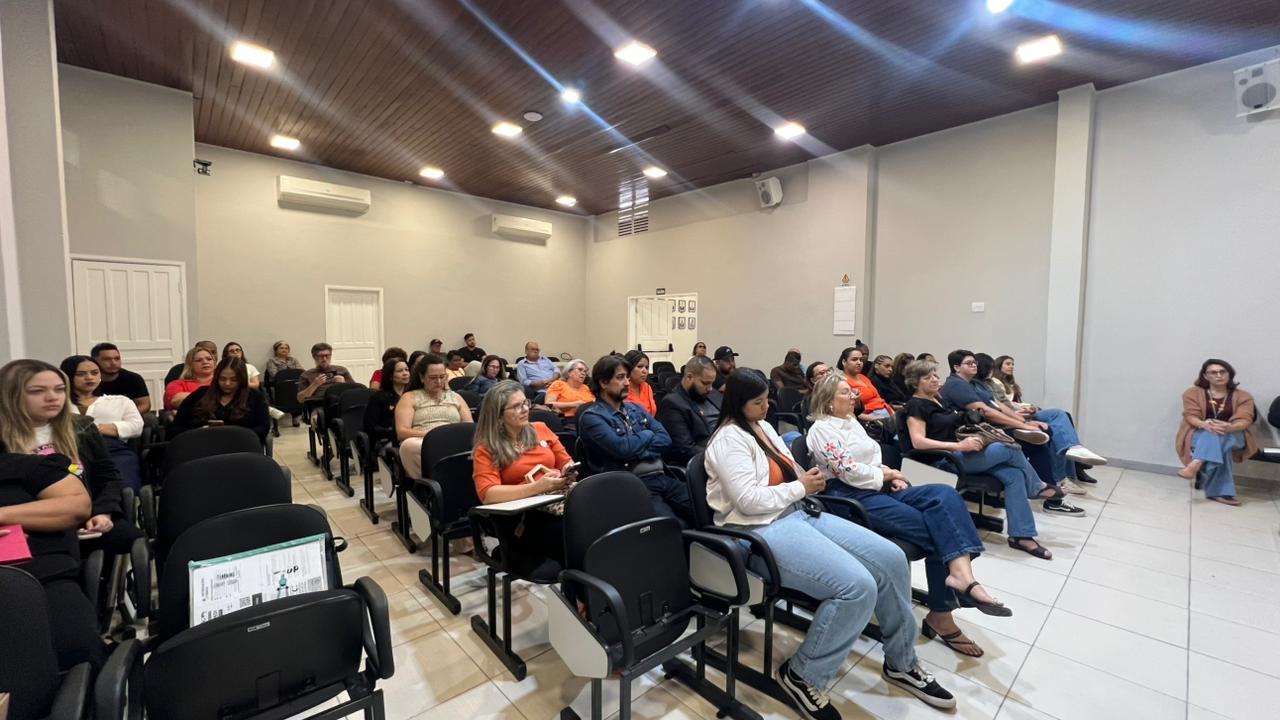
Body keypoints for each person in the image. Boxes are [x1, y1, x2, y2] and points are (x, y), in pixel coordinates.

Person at [705, 369, 955, 718]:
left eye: (766, 400)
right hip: (759, 530)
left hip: (797, 511)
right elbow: (748, 502)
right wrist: (801, 486)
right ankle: (802, 674)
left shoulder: (762, 428)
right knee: (857, 587)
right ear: (737, 403)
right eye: (758, 402)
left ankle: (901, 662)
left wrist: (806, 479)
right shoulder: (728, 440)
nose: (766, 407)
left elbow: (789, 467)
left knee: (892, 558)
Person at [806, 373, 1010, 658]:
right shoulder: (822, 429)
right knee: (940, 531)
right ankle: (944, 611)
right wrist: (886, 475)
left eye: (852, 391)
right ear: (828, 401)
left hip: (878, 487)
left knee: (944, 494)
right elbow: (847, 471)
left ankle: (961, 578)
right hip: (850, 497)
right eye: (845, 392)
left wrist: (891, 476)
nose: (854, 396)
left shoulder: (851, 421)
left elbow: (872, 459)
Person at [0, 359, 144, 622]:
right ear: (11, 395)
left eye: (59, 389)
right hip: (31, 525)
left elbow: (108, 477)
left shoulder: (82, 427)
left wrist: (103, 512)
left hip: (87, 516)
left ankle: (104, 605)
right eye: (37, 391)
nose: (52, 397)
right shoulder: (3, 438)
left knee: (130, 538)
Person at [902, 359, 1069, 558]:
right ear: (915, 382)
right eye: (927, 377)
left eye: (935, 375)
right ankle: (1035, 487)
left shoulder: (938, 399)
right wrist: (959, 446)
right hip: (944, 461)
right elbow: (918, 442)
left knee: (1014, 475)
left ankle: (1021, 535)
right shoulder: (916, 405)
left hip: (961, 453)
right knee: (1009, 447)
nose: (934, 379)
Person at [0, 451, 103, 672]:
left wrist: (3, 516)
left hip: (41, 578)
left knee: (79, 652)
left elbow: (77, 505)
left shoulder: (25, 467)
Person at [578, 354, 693, 526]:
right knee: (672, 527)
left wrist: (635, 449)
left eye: (626, 377)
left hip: (662, 476)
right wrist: (647, 434)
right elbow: (622, 449)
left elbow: (665, 439)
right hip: (631, 485)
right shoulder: (592, 417)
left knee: (707, 509)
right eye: (620, 377)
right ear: (603, 382)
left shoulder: (636, 409)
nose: (626, 382)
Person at [472, 380, 575, 563]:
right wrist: (538, 487)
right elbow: (488, 494)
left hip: (556, 500)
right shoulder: (487, 448)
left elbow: (566, 462)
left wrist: (568, 472)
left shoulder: (540, 428)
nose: (525, 409)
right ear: (498, 415)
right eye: (516, 406)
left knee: (594, 518)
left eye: (525, 403)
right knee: (575, 532)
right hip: (522, 516)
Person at [1176, 359, 1258, 506]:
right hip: (1200, 433)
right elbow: (1190, 415)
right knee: (1216, 438)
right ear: (1205, 376)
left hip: (1234, 434)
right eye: (1213, 372)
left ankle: (1197, 463)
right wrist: (1204, 424)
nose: (1219, 375)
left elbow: (1245, 419)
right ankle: (1220, 492)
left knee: (1219, 434)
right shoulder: (1192, 393)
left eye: (1222, 372)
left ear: (1229, 374)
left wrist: (1229, 427)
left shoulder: (1244, 396)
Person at [61, 355, 145, 492]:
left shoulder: (120, 401)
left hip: (112, 450)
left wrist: (98, 429)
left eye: (94, 373)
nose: (89, 378)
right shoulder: (59, 404)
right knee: (72, 478)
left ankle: (122, 502)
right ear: (67, 376)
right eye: (81, 374)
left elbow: (136, 426)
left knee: (121, 480)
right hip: (69, 451)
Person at [396, 354, 473, 479]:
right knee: (408, 446)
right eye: (433, 378)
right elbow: (402, 432)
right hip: (423, 441)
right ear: (422, 377)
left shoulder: (455, 397)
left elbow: (469, 426)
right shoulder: (410, 397)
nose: (439, 382)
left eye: (442, 377)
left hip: (453, 441)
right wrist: (434, 437)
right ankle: (429, 483)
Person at [171, 357, 271, 444]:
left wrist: (236, 434)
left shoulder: (255, 397)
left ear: (242, 379)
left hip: (240, 446)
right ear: (216, 378)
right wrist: (198, 432)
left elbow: (263, 428)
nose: (227, 383)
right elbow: (175, 428)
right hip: (201, 445)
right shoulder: (201, 394)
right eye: (222, 379)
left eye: (234, 380)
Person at [657, 355, 720, 466]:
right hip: (705, 460)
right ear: (689, 377)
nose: (710, 388)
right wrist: (720, 456)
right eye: (705, 383)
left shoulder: (712, 394)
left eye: (712, 383)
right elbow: (684, 448)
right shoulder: (672, 403)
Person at [90, 342, 151, 414]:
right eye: (107, 359)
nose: (113, 363)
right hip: (96, 415)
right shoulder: (88, 380)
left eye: (117, 359)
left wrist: (123, 415)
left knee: (149, 418)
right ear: (94, 361)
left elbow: (144, 404)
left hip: (128, 415)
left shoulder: (133, 378)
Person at [364, 357, 410, 449]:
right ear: (390, 376)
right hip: (387, 440)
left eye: (407, 370)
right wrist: (395, 432)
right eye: (400, 371)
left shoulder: (412, 395)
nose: (405, 373)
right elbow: (371, 427)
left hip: (410, 437)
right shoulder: (378, 397)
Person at [837, 347, 893, 420]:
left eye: (861, 360)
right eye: (854, 359)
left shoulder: (863, 377)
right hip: (871, 419)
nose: (859, 363)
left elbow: (879, 400)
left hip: (886, 412)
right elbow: (851, 412)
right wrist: (879, 419)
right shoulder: (842, 382)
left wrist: (893, 415)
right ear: (844, 362)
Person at [164, 345, 216, 410]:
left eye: (209, 359)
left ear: (214, 363)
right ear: (190, 365)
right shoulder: (176, 384)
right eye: (199, 360)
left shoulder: (222, 382)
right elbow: (176, 401)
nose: (205, 362)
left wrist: (189, 396)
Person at [623, 349, 657, 416]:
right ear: (628, 368)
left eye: (646, 367)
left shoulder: (647, 387)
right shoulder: (620, 389)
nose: (645, 371)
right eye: (640, 366)